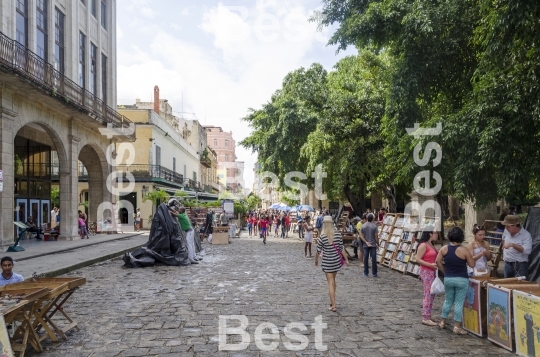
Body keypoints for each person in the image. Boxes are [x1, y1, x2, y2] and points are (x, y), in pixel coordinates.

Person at [436, 227, 475, 335]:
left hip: (448, 278)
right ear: (461, 237)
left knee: (448, 300)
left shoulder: (444, 249)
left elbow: (437, 261)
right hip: (461, 279)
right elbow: (472, 264)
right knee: (459, 302)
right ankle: (457, 326)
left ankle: (443, 322)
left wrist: (444, 271)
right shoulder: (464, 250)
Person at [315, 216, 349, 312]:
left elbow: (318, 251)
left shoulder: (322, 236)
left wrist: (316, 260)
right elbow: (341, 248)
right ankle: (332, 300)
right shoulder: (337, 234)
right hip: (336, 261)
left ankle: (333, 305)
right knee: (333, 281)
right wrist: (346, 259)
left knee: (330, 282)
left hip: (327, 262)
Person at [415, 227, 439, 326]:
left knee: (431, 293)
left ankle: (428, 314)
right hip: (427, 271)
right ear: (430, 234)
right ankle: (426, 317)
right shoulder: (423, 245)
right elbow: (417, 259)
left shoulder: (430, 244)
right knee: (428, 294)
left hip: (432, 271)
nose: (437, 234)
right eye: (435, 233)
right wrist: (430, 265)